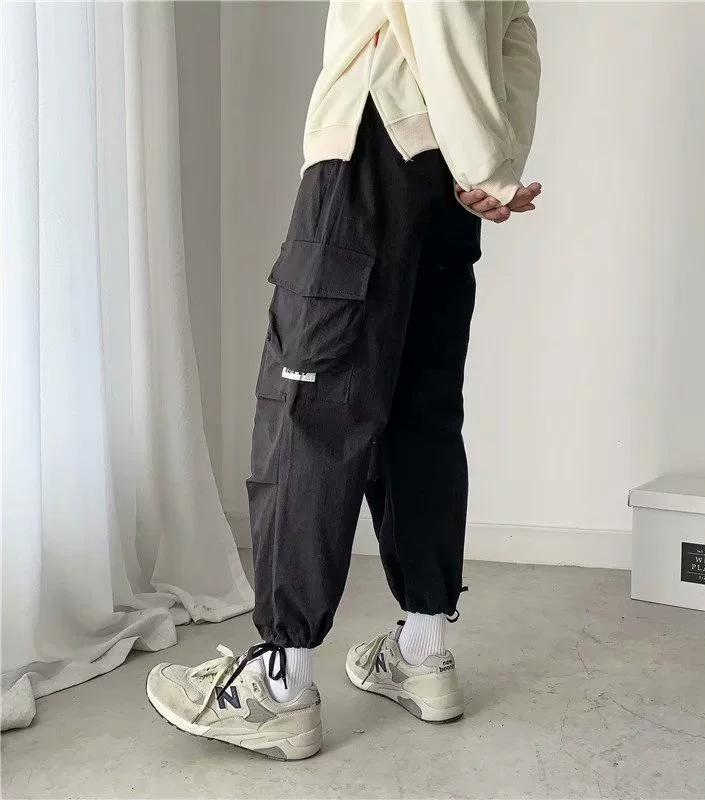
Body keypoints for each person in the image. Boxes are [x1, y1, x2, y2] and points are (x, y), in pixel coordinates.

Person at [146, 0, 541, 760]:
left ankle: (280, 688)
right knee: (420, 411)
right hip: (448, 178)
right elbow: (515, 38)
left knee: (309, 408)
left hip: (373, 146)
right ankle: (423, 650)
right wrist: (491, 164)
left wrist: (485, 166)